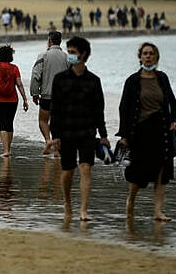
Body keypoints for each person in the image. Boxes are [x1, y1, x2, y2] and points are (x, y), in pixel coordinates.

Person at [117, 42, 176, 221]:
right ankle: (130, 202)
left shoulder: (162, 78)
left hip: (162, 131)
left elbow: (172, 103)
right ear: (140, 57)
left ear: (156, 57)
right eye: (145, 53)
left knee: (162, 172)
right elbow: (124, 108)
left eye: (151, 53)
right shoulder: (132, 81)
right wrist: (124, 136)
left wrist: (175, 120)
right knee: (138, 174)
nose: (148, 56)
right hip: (140, 133)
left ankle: (158, 212)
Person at [50, 36, 109, 221]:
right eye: (69, 52)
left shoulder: (94, 80)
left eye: (73, 52)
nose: (70, 56)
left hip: (87, 132)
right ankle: (68, 203)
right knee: (68, 171)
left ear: (83, 54)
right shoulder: (60, 79)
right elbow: (55, 109)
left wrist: (104, 135)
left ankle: (84, 210)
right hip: (66, 132)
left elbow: (99, 109)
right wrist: (55, 136)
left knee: (86, 168)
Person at [0, 45, 29, 157]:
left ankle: (6, 150)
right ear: (10, 56)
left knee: (2, 124)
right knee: (10, 124)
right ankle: (9, 148)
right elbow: (19, 84)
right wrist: (25, 99)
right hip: (13, 100)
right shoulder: (15, 68)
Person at [30, 30, 69, 156]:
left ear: (50, 41)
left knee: (43, 121)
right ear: (60, 42)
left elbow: (36, 75)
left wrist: (35, 93)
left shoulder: (43, 56)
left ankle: (48, 140)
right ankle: (57, 150)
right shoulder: (67, 57)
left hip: (46, 95)